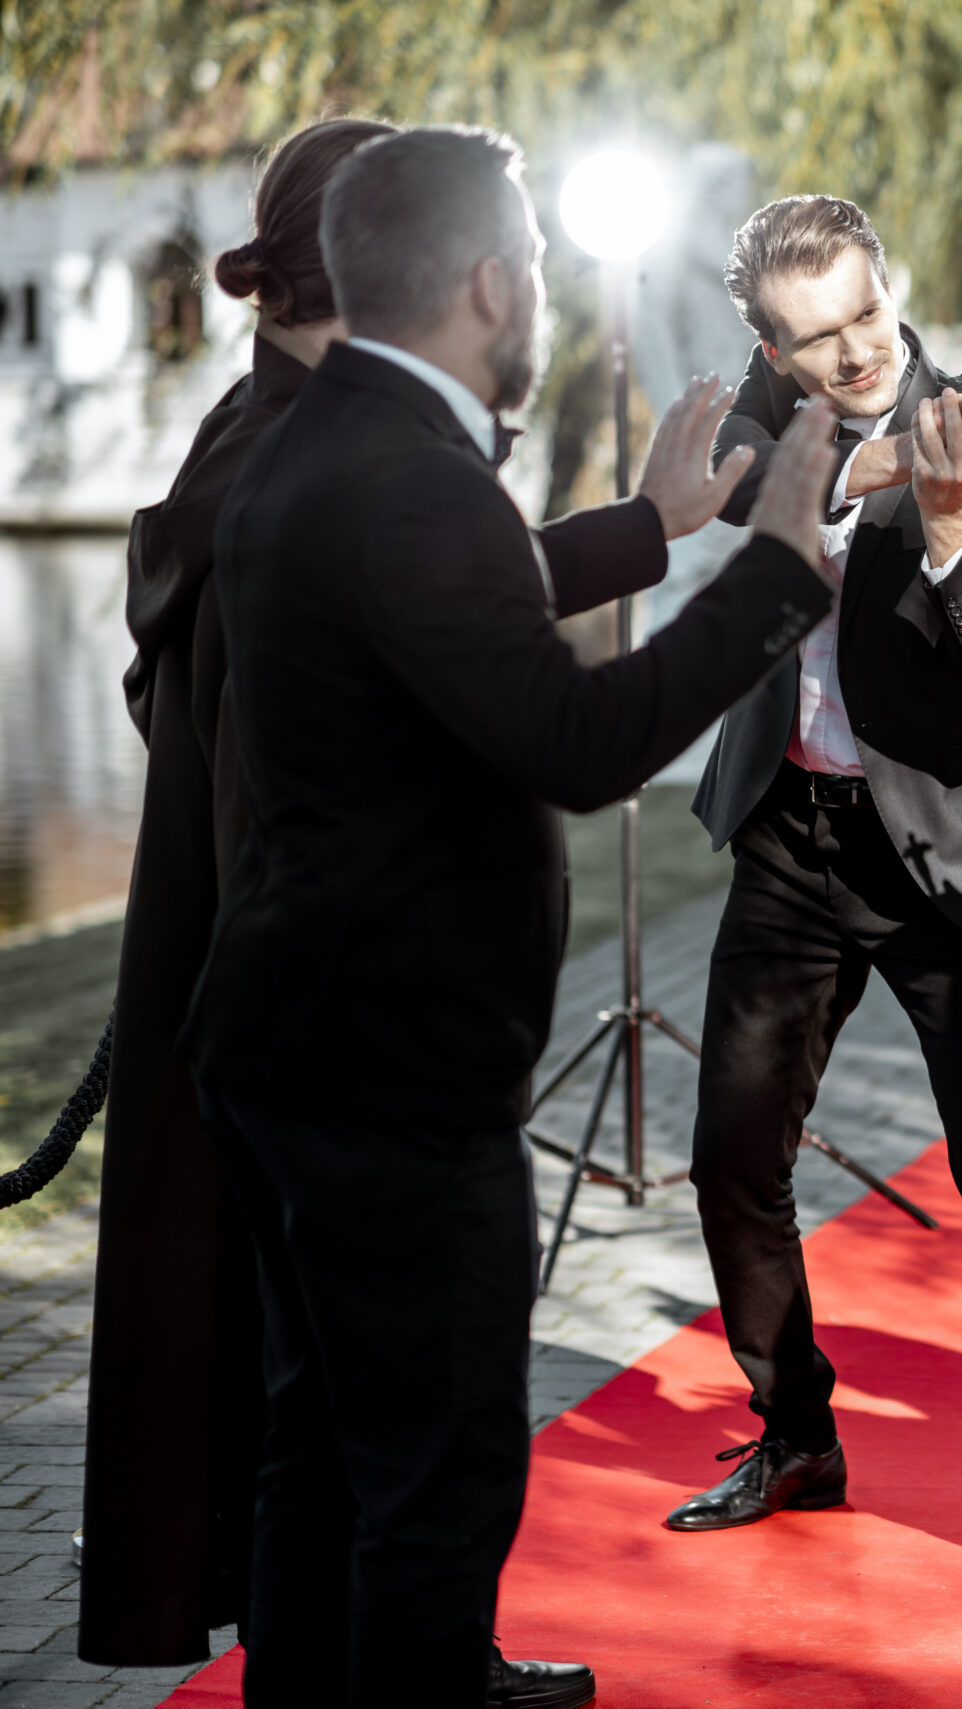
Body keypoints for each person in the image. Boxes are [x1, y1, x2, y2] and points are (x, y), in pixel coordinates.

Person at [180, 126, 846, 1708]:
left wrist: (652, 525)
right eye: (538, 263)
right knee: (434, 1495)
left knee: (325, 1462)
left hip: (296, 1039)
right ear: (491, 282)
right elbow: (576, 739)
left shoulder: (320, 436)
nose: (541, 289)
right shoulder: (414, 474)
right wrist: (773, 570)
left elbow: (449, 603)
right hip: (389, 1078)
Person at [664, 195, 962, 1616]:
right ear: (769, 344)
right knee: (730, 1155)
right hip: (791, 840)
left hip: (940, 855)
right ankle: (797, 1431)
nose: (859, 350)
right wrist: (877, 470)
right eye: (817, 339)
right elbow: (741, 482)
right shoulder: (764, 411)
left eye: (869, 316)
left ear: (894, 288)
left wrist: (945, 529)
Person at [83, 117, 395, 1670]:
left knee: (335, 1391)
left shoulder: (259, 426)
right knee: (332, 1392)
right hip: (315, 1009)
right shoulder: (306, 455)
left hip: (252, 985)